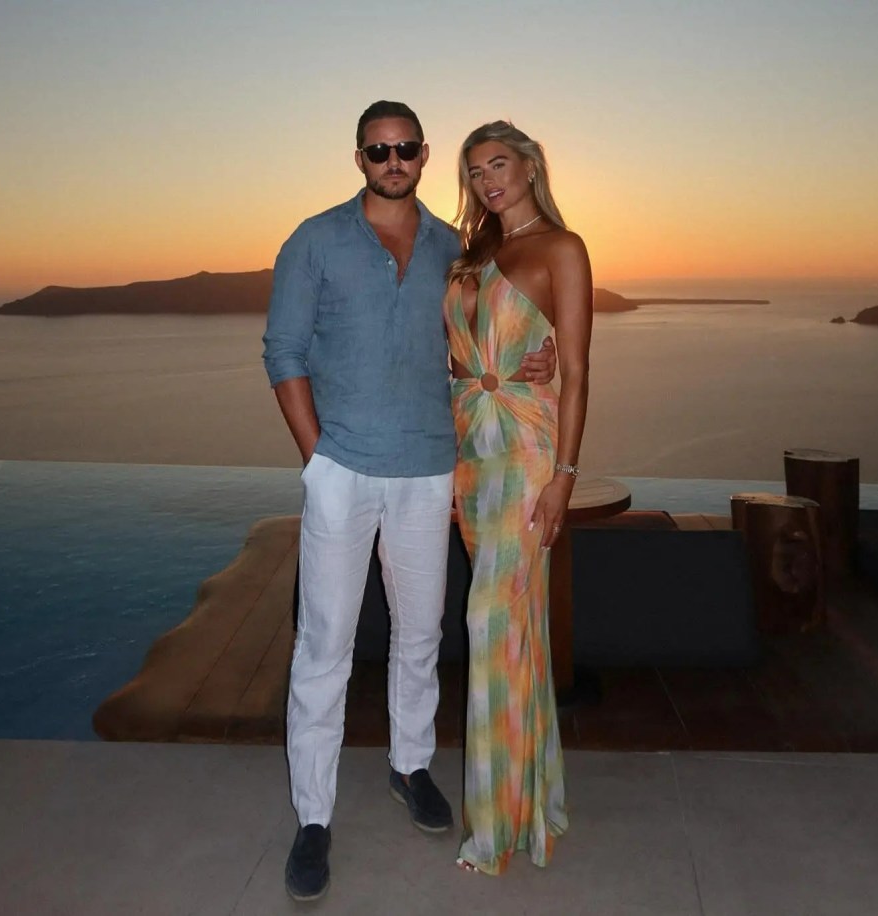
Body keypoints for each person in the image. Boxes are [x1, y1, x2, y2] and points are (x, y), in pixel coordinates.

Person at [262, 101, 557, 902]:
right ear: (359, 157)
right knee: (323, 644)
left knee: (420, 635)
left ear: (424, 156)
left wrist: (538, 358)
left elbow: (489, 332)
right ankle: (314, 817)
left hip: (431, 471)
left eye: (406, 148)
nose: (392, 159)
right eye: (377, 149)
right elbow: (282, 350)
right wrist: (316, 456)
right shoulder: (314, 240)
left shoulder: (453, 249)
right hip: (343, 471)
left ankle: (410, 766)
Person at [443, 121, 593, 875]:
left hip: (529, 457)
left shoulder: (562, 249)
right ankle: (533, 803)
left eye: (499, 164)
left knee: (486, 620)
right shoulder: (471, 254)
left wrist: (566, 475)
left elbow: (576, 370)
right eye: (475, 172)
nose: (487, 180)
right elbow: (455, 358)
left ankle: (493, 825)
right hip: (473, 457)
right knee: (515, 633)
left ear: (531, 165)